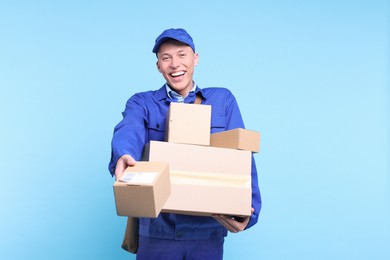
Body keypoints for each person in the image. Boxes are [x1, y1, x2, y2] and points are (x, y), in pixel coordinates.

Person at [109, 28, 261, 260]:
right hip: (158, 231)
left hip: (206, 233)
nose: (175, 64)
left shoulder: (222, 101)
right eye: (166, 57)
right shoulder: (143, 103)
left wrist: (249, 210)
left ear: (195, 59)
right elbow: (128, 129)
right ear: (158, 65)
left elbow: (241, 155)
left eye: (182, 55)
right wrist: (123, 155)